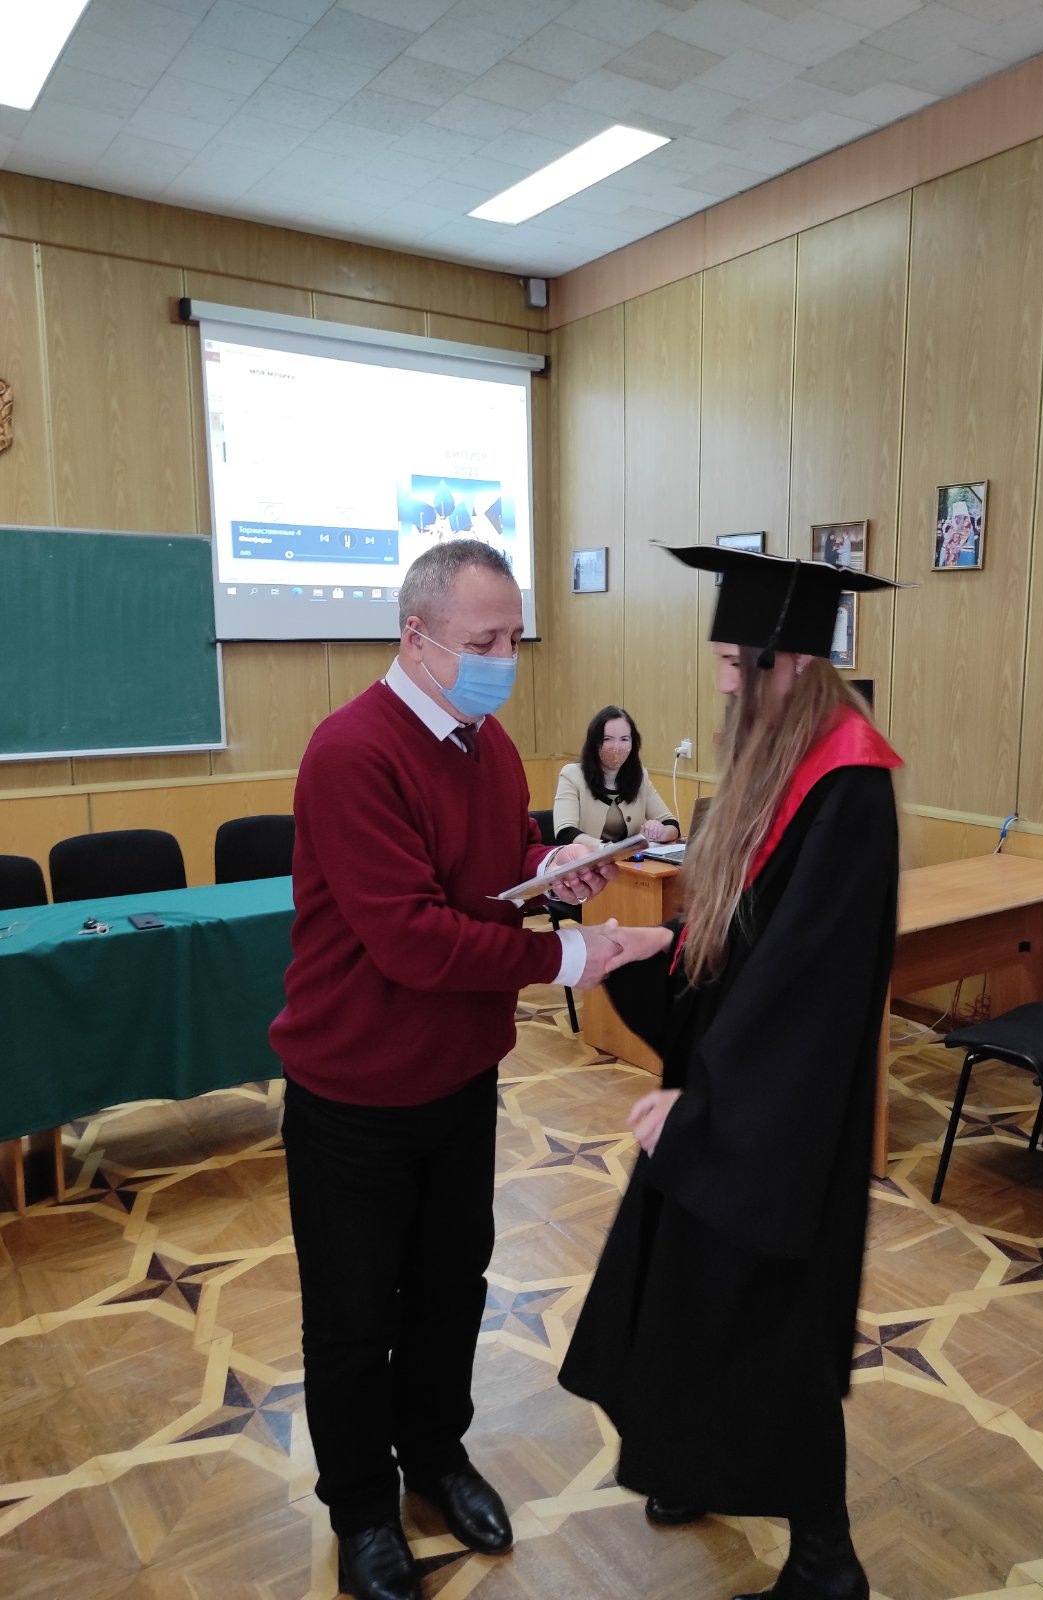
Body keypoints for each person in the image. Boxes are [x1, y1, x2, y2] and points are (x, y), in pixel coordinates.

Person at [272, 540, 621, 1600]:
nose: (504, 658)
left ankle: (434, 1455)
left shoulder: (489, 743)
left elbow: (492, 872)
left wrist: (553, 870)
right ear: (415, 636)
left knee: (448, 1288)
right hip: (354, 1090)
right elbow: (414, 939)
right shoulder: (351, 751)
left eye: (514, 637)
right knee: (350, 1320)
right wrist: (568, 956)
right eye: (484, 640)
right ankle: (361, 1511)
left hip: (461, 1076)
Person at [559, 544, 904, 1600]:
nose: (720, 683)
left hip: (780, 1125)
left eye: (730, 662)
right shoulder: (780, 758)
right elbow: (751, 943)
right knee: (687, 1297)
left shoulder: (847, 782)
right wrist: (653, 949)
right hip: (736, 1098)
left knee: (771, 1325)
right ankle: (690, 1461)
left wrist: (709, 1109)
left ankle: (824, 1559)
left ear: (784, 660)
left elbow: (808, 990)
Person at [553, 705, 680, 847]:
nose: (617, 747)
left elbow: (671, 823)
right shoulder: (571, 775)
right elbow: (565, 831)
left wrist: (661, 832)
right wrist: (605, 848)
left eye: (624, 739)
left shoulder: (640, 775)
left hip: (630, 859)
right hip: (587, 858)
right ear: (594, 742)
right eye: (607, 739)